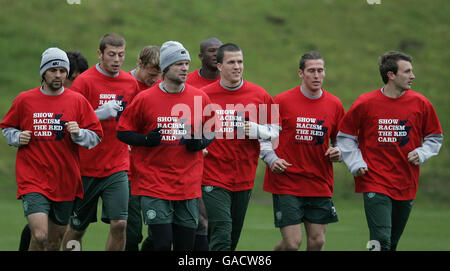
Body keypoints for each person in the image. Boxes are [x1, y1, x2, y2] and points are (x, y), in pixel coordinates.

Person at [336, 51, 443, 251]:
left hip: (406, 182)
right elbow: (345, 138)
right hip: (374, 180)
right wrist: (356, 163)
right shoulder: (365, 103)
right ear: (391, 75)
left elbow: (434, 138)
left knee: (391, 244)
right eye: (407, 71)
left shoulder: (421, 103)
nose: (413, 76)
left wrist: (422, 153)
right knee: (381, 240)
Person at [1, 47, 102, 251]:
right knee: (39, 235)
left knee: (54, 243)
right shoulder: (25, 100)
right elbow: (7, 127)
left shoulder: (78, 101)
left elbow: (96, 136)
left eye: (62, 71)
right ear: (43, 72)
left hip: (65, 180)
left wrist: (79, 134)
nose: (58, 75)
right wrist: (17, 137)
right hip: (34, 179)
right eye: (53, 70)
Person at [117, 41, 214, 251]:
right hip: (154, 184)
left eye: (187, 63)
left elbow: (212, 128)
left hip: (188, 185)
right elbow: (122, 131)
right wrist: (145, 140)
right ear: (166, 67)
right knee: (161, 245)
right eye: (179, 64)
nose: (185, 68)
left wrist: (201, 143)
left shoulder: (200, 97)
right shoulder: (145, 99)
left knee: (184, 247)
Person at [62, 33, 140, 251]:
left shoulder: (130, 83)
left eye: (121, 55)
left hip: (117, 166)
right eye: (112, 54)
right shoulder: (84, 82)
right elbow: (70, 122)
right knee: (77, 227)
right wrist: (97, 114)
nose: (117, 59)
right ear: (100, 54)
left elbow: (135, 118)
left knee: (120, 224)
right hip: (86, 167)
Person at [260, 51, 345, 251]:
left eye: (320, 70)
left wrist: (339, 152)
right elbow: (263, 135)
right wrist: (272, 159)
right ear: (301, 73)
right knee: (292, 243)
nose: (317, 75)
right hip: (287, 180)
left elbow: (343, 140)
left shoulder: (335, 104)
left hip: (319, 180)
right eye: (311, 71)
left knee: (317, 242)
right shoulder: (280, 100)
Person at [201, 43, 279, 251]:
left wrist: (257, 130)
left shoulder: (259, 95)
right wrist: (196, 145)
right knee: (222, 234)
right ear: (219, 66)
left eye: (240, 62)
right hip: (212, 176)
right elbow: (190, 129)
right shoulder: (204, 95)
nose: (237, 66)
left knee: (231, 239)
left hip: (244, 176)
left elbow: (276, 130)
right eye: (231, 62)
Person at [185, 37, 223, 251]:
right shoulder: (188, 82)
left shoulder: (231, 82)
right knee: (198, 221)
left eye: (219, 51)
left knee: (218, 226)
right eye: (211, 50)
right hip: (193, 162)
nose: (216, 54)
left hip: (223, 165)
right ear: (200, 56)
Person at [125, 45, 162, 251]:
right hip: (127, 171)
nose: (155, 79)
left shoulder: (161, 88)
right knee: (131, 233)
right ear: (140, 64)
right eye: (151, 74)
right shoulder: (124, 85)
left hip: (154, 170)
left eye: (159, 75)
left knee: (161, 233)